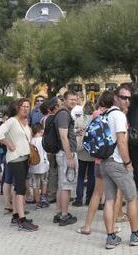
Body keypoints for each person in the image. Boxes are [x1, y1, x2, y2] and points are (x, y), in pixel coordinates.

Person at [102, 85, 138, 249]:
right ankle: (135, 235)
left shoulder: (106, 114)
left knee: (109, 200)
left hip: (105, 162)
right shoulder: (119, 116)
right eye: (123, 97)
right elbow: (122, 142)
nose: (127, 101)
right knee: (132, 198)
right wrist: (128, 163)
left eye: (129, 98)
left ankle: (111, 237)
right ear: (116, 97)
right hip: (118, 163)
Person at [0, 98, 39, 231]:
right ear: (17, 108)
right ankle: (22, 220)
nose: (25, 108)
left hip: (24, 158)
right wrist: (8, 143)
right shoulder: (12, 121)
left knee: (17, 188)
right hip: (15, 159)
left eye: (27, 106)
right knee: (20, 189)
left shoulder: (25, 122)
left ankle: (15, 215)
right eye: (23, 106)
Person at [76, 91, 117, 235]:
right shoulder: (114, 115)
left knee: (96, 194)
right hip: (112, 160)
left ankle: (87, 226)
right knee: (112, 196)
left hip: (98, 160)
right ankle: (111, 229)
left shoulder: (95, 115)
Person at [54, 90, 79, 226]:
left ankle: (59, 212)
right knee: (66, 186)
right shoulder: (64, 114)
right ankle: (64, 215)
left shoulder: (63, 113)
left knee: (62, 184)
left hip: (62, 153)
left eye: (75, 99)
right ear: (64, 100)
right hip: (66, 154)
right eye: (71, 99)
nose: (73, 102)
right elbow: (63, 137)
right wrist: (70, 157)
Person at [73, 101, 95, 207]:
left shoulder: (79, 118)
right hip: (92, 150)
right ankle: (89, 198)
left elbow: (75, 130)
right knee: (91, 175)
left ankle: (78, 199)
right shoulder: (94, 119)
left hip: (81, 149)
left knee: (81, 175)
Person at [30, 123, 50, 209]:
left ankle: (37, 202)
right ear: (40, 130)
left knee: (35, 184)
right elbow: (47, 152)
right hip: (44, 164)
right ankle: (44, 199)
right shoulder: (43, 140)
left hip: (34, 165)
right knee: (44, 181)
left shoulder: (31, 141)